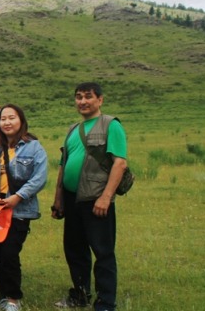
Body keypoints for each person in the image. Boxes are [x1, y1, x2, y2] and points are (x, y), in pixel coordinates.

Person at [52, 83, 127, 311]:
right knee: (74, 250)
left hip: (96, 200)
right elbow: (64, 165)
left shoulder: (110, 125)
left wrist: (106, 197)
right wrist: (58, 198)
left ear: (100, 100)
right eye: (78, 97)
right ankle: (80, 295)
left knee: (102, 252)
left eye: (88, 96)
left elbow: (120, 163)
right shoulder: (74, 128)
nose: (82, 101)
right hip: (72, 198)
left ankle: (105, 303)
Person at [0, 104, 47, 311]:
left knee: (9, 253)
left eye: (12, 118)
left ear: (21, 121)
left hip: (18, 210)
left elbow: (39, 178)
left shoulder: (33, 147)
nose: (7, 122)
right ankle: (3, 294)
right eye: (4, 119)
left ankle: (14, 298)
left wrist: (18, 197)